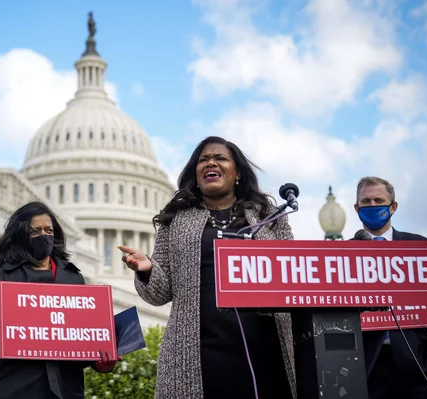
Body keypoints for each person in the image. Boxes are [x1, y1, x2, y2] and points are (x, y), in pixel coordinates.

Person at [120, 136, 296, 399]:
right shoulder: (175, 220)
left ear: (237, 173)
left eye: (220, 158)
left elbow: (293, 274)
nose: (210, 162)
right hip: (200, 351)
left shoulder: (267, 217)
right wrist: (147, 270)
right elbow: (159, 294)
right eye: (203, 160)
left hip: (264, 345)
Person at [0, 201, 119, 399]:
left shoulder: (73, 277)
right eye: (35, 231)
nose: (43, 235)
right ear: (22, 235)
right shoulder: (0, 275)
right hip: (11, 387)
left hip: (64, 388)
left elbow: (80, 337)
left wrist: (99, 362)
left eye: (48, 230)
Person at [356, 176, 427, 399]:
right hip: (365, 369)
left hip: (419, 368)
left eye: (378, 200)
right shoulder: (340, 254)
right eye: (366, 201)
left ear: (393, 206)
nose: (372, 206)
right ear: (356, 208)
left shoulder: (421, 247)